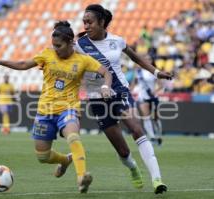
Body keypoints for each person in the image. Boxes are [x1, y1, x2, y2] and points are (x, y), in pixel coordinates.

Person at [0, 21, 112, 193]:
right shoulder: (47, 54)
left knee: (73, 135)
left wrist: (105, 86)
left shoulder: (83, 60)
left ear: (70, 43)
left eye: (58, 46)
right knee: (43, 156)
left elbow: (105, 72)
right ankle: (65, 160)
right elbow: (24, 65)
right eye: (53, 45)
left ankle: (82, 177)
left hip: (69, 107)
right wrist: (1, 62)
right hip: (45, 111)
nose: (55, 49)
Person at [75, 4, 173, 194]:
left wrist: (157, 72)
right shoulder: (79, 45)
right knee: (123, 151)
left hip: (120, 92)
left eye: (90, 22)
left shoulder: (117, 41)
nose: (86, 26)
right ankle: (133, 168)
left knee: (136, 129)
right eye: (84, 22)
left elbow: (136, 58)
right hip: (97, 99)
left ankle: (157, 179)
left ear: (102, 22)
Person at [135, 67, 163, 146]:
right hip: (143, 97)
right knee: (146, 117)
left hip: (153, 97)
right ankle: (152, 137)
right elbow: (134, 83)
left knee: (156, 118)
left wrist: (155, 91)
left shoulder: (154, 71)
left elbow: (161, 85)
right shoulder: (138, 71)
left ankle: (159, 135)